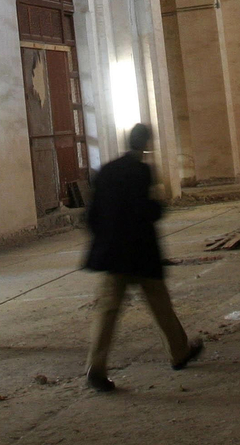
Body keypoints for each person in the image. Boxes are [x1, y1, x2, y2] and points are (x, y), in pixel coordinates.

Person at [83, 122, 203, 391]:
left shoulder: (106, 171)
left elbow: (91, 216)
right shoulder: (142, 172)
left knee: (107, 311)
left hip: (113, 255)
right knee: (160, 305)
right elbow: (151, 212)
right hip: (139, 253)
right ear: (146, 144)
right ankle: (179, 352)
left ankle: (96, 367)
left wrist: (104, 241)